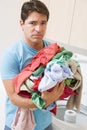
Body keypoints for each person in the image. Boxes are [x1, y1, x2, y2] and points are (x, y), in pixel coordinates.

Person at [0, 0, 65, 130]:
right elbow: (13, 97)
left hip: (46, 124)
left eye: (43, 23)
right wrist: (45, 101)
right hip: (18, 125)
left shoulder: (53, 50)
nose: (38, 29)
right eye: (32, 23)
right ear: (22, 24)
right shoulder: (11, 54)